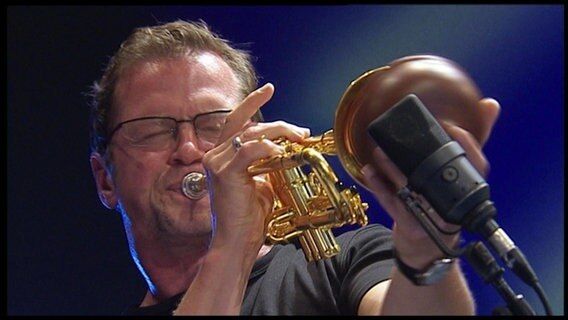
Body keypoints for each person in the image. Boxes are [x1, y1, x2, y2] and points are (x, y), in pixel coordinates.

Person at [87, 19, 500, 315]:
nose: (190, 149)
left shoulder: (347, 260)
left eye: (215, 124)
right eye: (153, 130)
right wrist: (232, 246)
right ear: (105, 180)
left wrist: (425, 247)